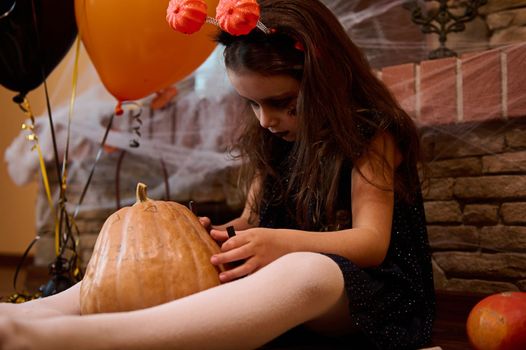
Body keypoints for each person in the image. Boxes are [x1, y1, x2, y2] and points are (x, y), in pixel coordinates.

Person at [0, 0, 435, 349]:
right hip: (295, 293)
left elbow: (372, 244)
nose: (266, 120)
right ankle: (26, 316)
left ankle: (68, 340)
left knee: (308, 270)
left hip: (375, 299)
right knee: (170, 260)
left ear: (329, 82)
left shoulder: (372, 134)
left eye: (284, 103)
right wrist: (219, 237)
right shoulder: (274, 141)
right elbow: (251, 222)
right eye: (252, 104)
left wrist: (282, 244)